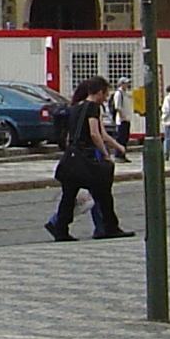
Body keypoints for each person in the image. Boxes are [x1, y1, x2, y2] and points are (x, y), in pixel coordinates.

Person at [47, 76, 130, 240]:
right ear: (99, 92)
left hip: (71, 157)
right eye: (105, 95)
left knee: (68, 196)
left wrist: (117, 146)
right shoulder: (93, 107)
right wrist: (106, 153)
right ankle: (110, 227)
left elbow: (71, 135)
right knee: (103, 193)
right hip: (86, 157)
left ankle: (61, 229)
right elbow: (95, 133)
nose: (105, 98)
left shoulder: (75, 107)